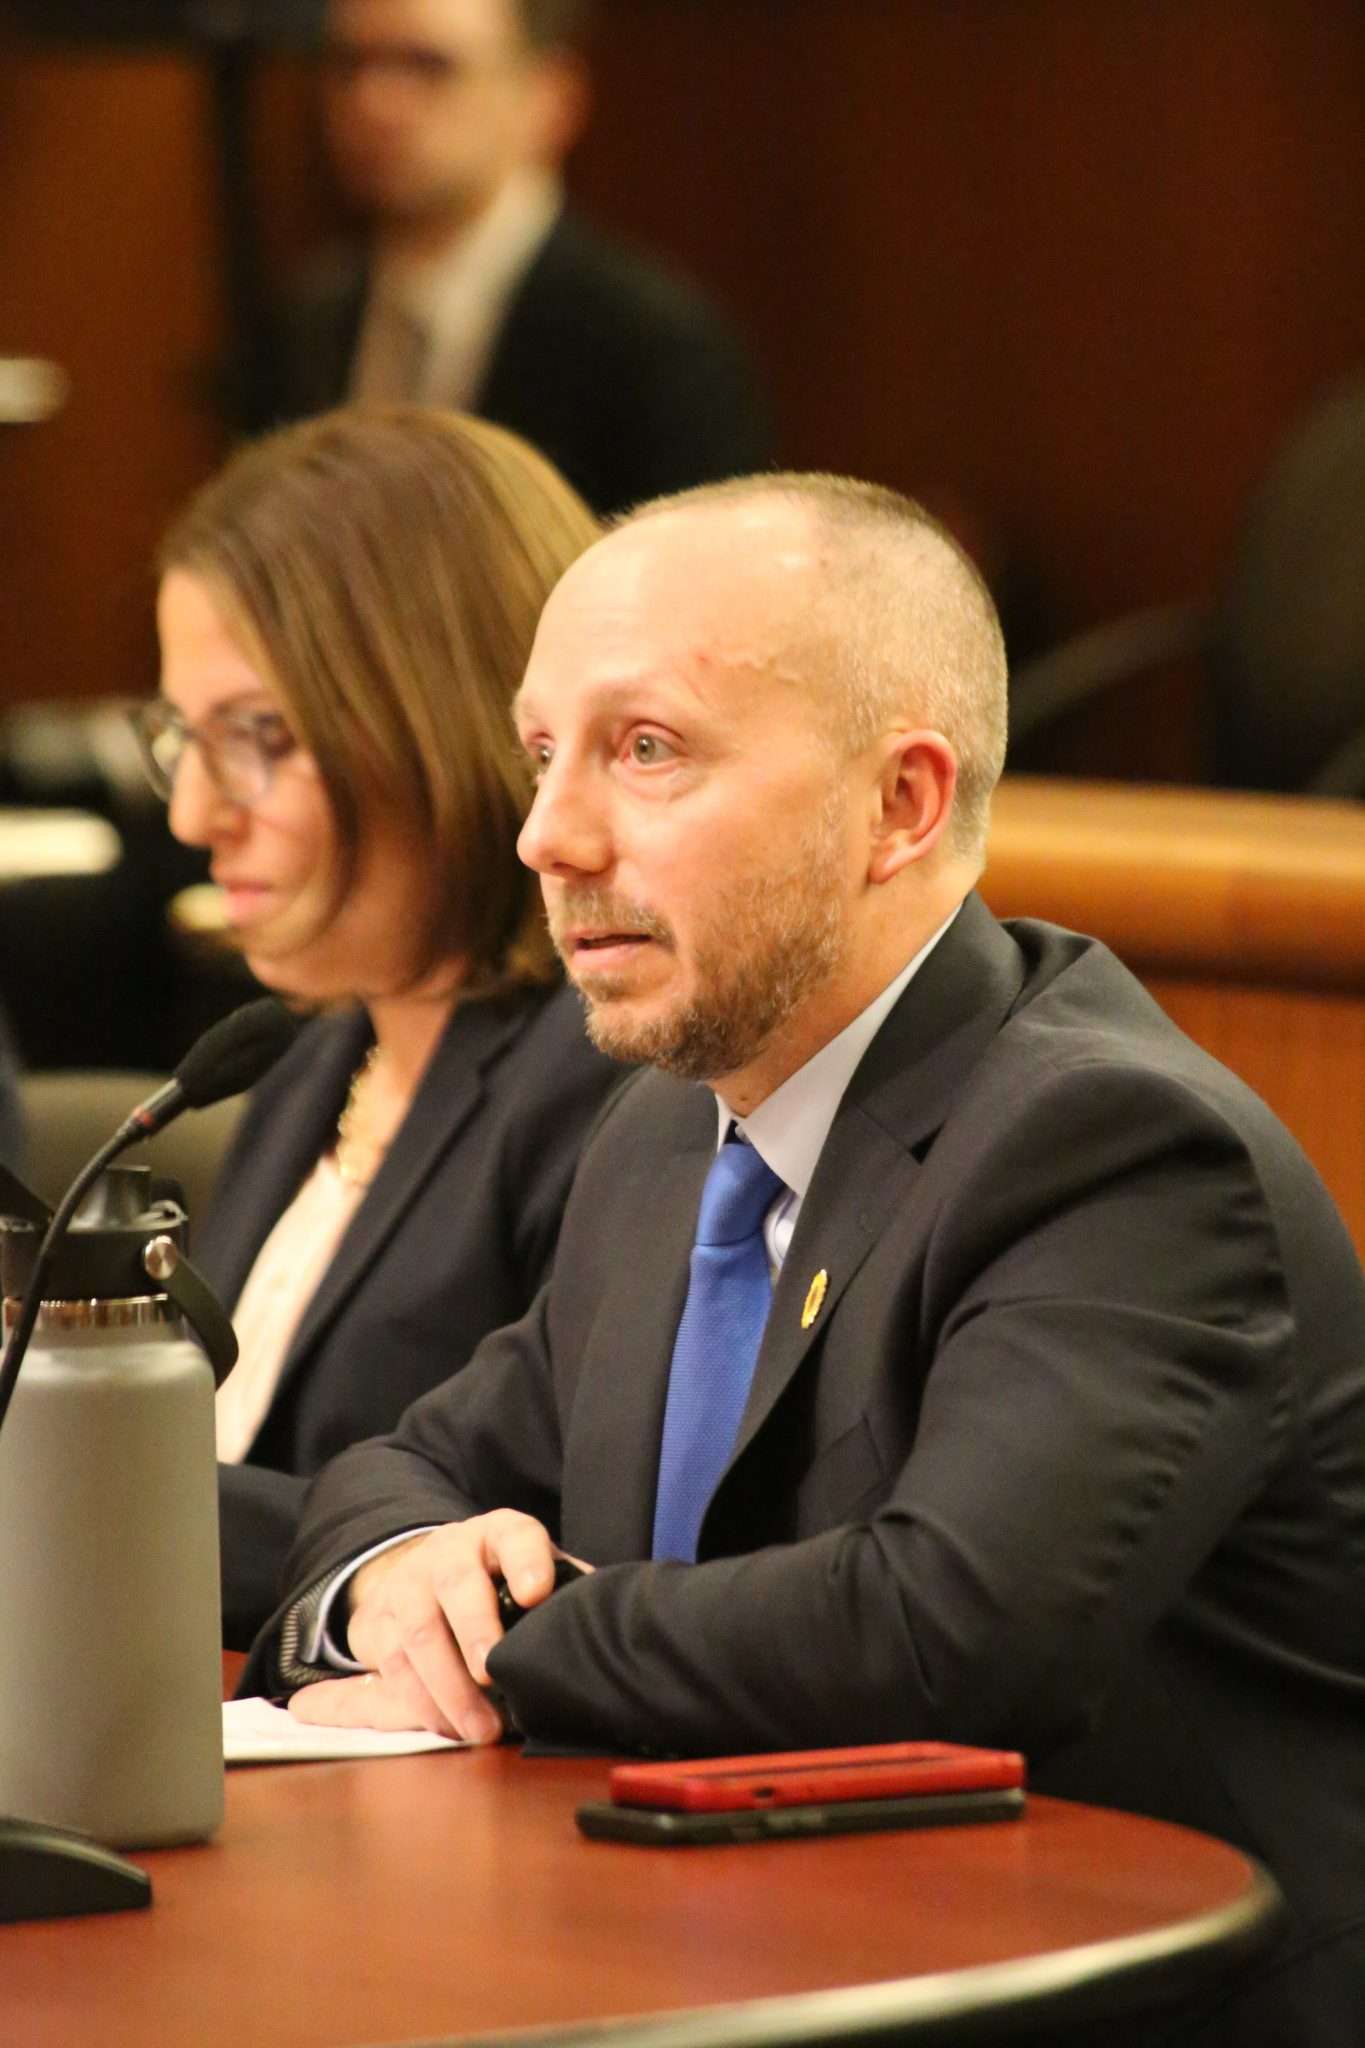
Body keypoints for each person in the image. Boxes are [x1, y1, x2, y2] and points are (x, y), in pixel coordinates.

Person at [247, 473, 1364, 2047]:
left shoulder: (1114, 1146)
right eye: (542, 753)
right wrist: (394, 1577)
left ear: (898, 806)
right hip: (741, 1962)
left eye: (647, 751)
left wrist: (510, 1637)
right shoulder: (661, 1137)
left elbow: (938, 1636)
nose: (548, 834)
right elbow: (410, 1464)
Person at [135, 404, 624, 1648]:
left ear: (444, 718)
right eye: (184, 740)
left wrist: (82, 1490)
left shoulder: (608, 1076)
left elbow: (529, 1532)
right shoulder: (309, 1055)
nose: (196, 809)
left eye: (262, 739)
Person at [249, 0, 771, 515]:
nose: (374, 100)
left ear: (550, 98)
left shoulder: (657, 347)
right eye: (350, 63)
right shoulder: (306, 320)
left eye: (429, 65)